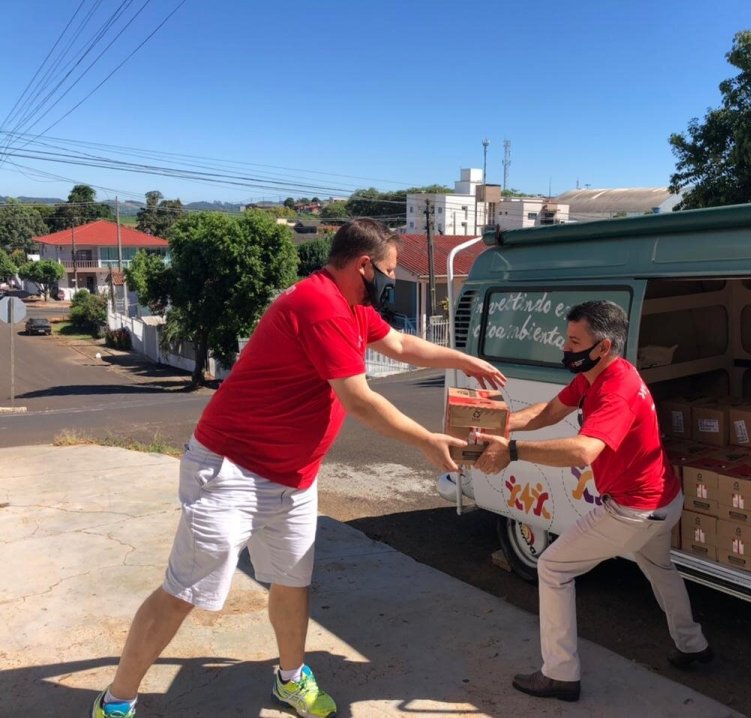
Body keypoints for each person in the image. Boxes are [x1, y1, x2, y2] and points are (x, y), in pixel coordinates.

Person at [92, 218, 506, 718]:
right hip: (232, 470)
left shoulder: (353, 306)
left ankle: (290, 680)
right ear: (364, 264)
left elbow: (399, 345)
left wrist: (463, 359)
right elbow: (359, 399)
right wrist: (424, 439)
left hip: (293, 476)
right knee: (186, 592)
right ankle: (117, 699)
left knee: (291, 585)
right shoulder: (320, 305)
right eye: (391, 270)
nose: (393, 280)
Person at [473, 299, 710, 703]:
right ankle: (693, 645)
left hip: (634, 511)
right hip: (664, 500)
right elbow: (550, 412)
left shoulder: (616, 390)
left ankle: (560, 674)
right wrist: (497, 422)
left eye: (573, 340)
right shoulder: (598, 375)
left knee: (551, 567)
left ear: (602, 346)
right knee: (659, 568)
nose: (565, 348)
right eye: (566, 338)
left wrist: (511, 451)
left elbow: (584, 451)